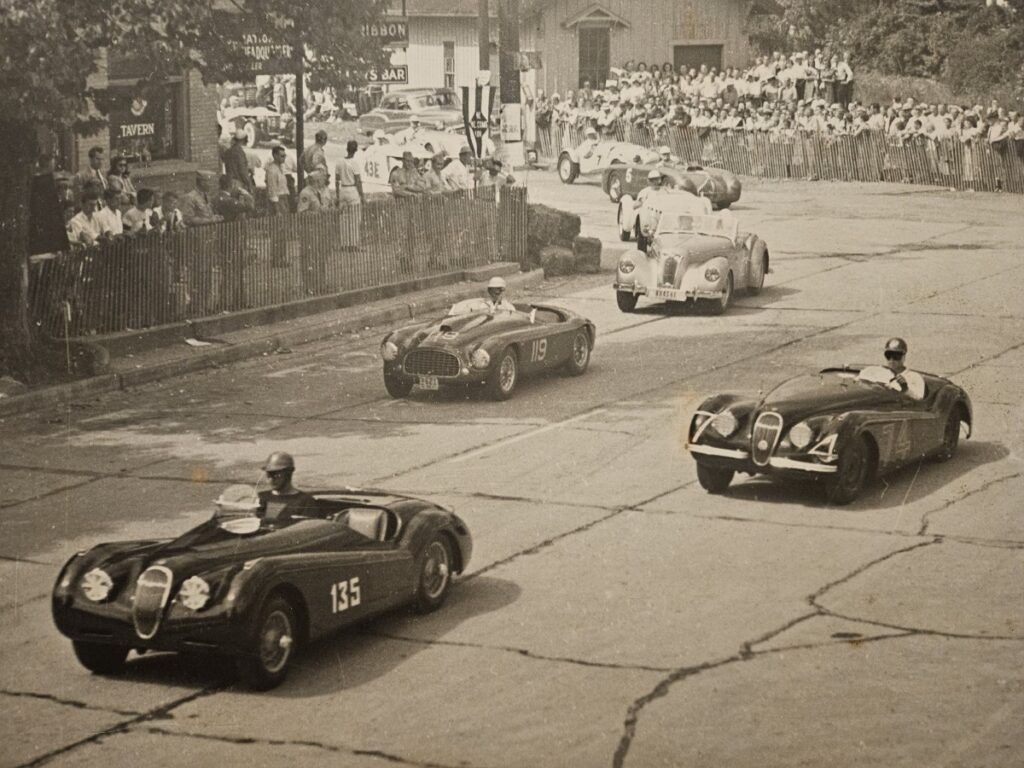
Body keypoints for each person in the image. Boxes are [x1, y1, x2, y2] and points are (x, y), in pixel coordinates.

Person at [857, 338, 926, 399]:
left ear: (904, 356)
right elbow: (859, 380)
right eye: (888, 356)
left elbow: (919, 397)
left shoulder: (914, 377)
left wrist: (905, 388)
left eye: (896, 356)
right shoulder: (877, 371)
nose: (891, 360)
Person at [257, 452, 317, 522]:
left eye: (276, 475)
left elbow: (308, 529)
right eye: (269, 475)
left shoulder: (305, 501)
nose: (271, 479)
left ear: (288, 473)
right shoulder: (262, 497)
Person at [223, 129, 254, 194]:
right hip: (238, 183)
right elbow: (242, 171)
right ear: (244, 140)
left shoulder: (228, 151)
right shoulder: (239, 153)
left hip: (229, 182)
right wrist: (249, 184)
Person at [335, 139, 364, 206]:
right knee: (355, 214)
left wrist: (337, 195)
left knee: (343, 214)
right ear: (355, 151)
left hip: (343, 189)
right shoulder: (354, 163)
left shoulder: (339, 162)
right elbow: (358, 181)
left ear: (347, 149)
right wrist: (362, 196)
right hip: (352, 190)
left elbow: (337, 181)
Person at [265, 144, 291, 215]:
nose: (284, 158)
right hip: (277, 202)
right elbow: (272, 190)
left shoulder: (281, 167)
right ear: (275, 156)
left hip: (284, 199)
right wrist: (277, 210)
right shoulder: (272, 170)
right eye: (282, 156)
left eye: (285, 156)